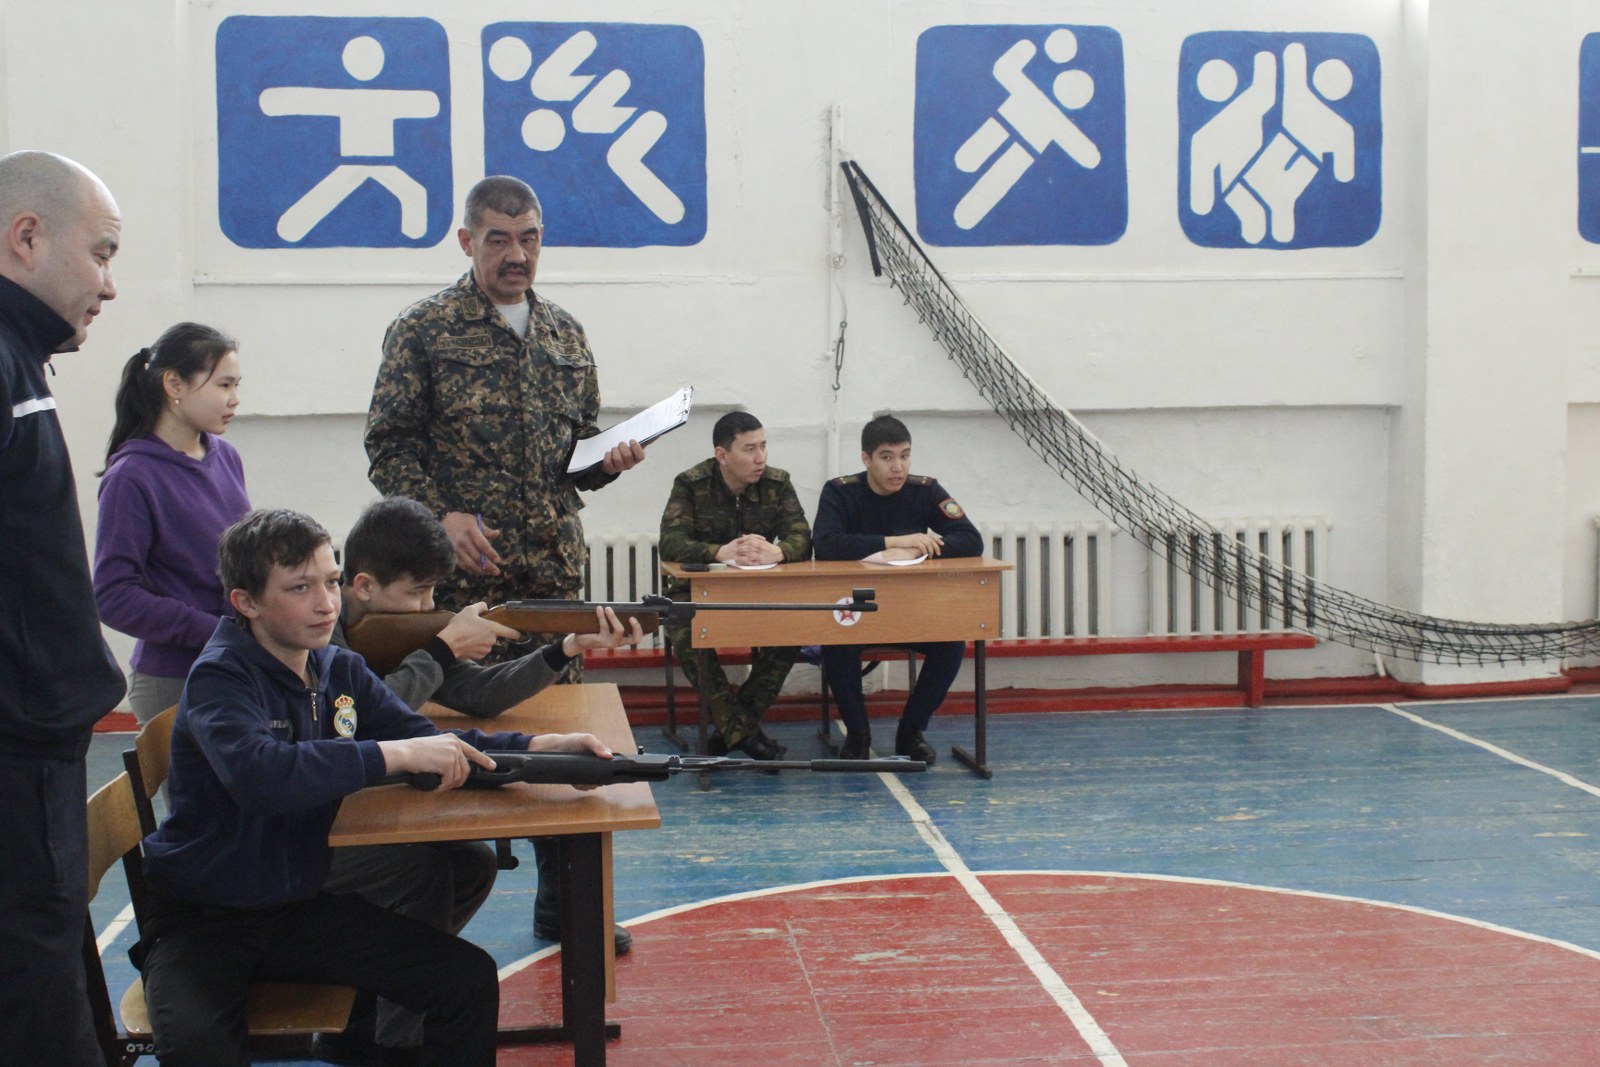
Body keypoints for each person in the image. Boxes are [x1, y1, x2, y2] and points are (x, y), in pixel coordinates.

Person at [135, 508, 612, 1066]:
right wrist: (393, 754)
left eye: (331, 582)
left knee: (465, 980)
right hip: (201, 920)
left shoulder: (336, 668)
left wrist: (539, 750)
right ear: (247, 602)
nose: (326, 604)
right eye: (300, 588)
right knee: (198, 1050)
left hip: (296, 909)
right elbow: (261, 777)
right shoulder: (222, 675)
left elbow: (428, 739)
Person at [330, 495, 642, 1009]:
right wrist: (439, 651)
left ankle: (394, 1002)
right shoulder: (324, 634)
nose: (430, 607)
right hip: (324, 821)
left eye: (434, 591)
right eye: (418, 593)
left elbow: (481, 695)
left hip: (367, 800)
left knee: (474, 862)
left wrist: (565, 648)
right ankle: (393, 1014)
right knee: (428, 872)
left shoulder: (399, 629)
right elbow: (364, 721)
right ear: (363, 586)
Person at [365, 174, 646, 663]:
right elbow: (389, 447)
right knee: (466, 703)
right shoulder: (423, 329)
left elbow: (576, 443)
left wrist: (607, 461)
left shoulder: (564, 331)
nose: (517, 255)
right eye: (498, 241)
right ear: (467, 241)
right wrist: (440, 518)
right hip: (466, 581)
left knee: (559, 703)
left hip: (553, 575)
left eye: (528, 239)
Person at [0, 149, 125, 1066]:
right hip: (17, 754)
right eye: (102, 252)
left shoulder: (21, 362)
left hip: (35, 747)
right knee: (35, 1005)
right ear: (26, 236)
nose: (109, 285)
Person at [94, 322, 250, 727]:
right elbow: (113, 595)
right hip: (175, 678)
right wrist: (210, 630)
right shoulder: (132, 476)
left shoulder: (227, 456)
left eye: (236, 385)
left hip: (238, 663)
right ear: (174, 384)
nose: (235, 399)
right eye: (223, 385)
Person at [813, 415, 983, 763]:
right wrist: (893, 542)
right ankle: (858, 734)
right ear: (866, 459)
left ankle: (911, 732)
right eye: (887, 457)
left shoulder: (925, 490)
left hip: (910, 610)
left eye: (905, 456)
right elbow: (826, 544)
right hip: (856, 611)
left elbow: (970, 538)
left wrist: (918, 550)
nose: (898, 467)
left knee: (952, 644)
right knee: (836, 643)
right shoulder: (840, 491)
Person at [658, 411, 811, 759]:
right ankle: (744, 733)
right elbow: (670, 542)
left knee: (793, 630)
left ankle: (732, 730)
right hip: (694, 592)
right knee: (687, 635)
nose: (761, 458)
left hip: (756, 591)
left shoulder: (777, 483)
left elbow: (802, 536)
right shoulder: (691, 484)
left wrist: (779, 551)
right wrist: (718, 552)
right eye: (749, 449)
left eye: (763, 446)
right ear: (722, 455)